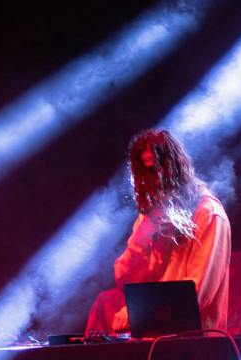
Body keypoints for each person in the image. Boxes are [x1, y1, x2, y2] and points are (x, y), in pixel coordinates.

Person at [86, 128, 231, 334]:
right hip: (150, 336)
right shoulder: (150, 216)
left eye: (156, 170)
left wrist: (133, 315)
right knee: (104, 303)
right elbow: (124, 281)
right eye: (145, 172)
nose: (154, 180)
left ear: (175, 169)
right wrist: (143, 237)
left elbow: (196, 296)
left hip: (192, 340)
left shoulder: (208, 214)